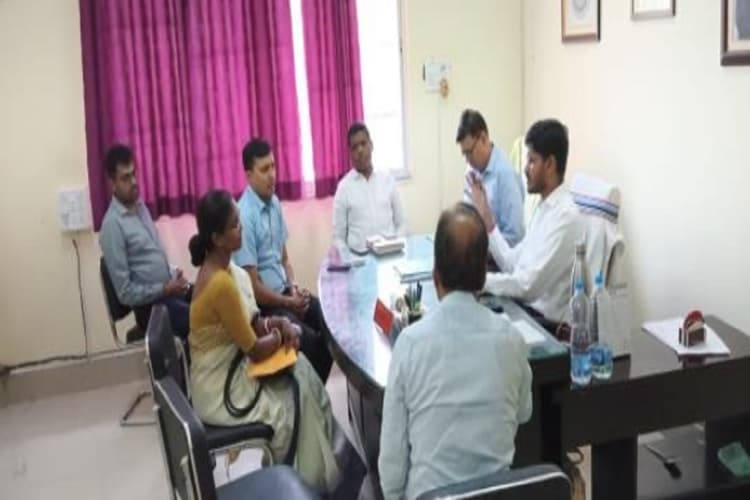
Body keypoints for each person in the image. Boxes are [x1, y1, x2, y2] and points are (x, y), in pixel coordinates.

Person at [188, 190, 342, 492]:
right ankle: (296, 483)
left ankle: (316, 474)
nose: (241, 228)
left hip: (233, 368)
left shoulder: (229, 271)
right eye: (235, 225)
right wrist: (285, 334)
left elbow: (254, 323)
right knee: (287, 408)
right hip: (220, 388)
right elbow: (256, 350)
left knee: (303, 372)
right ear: (217, 238)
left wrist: (279, 323)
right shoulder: (219, 284)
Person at [379, 203, 533, 500]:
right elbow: (524, 412)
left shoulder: (410, 344)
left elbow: (392, 468)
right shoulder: (512, 341)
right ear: (483, 276)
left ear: (435, 276)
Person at [233, 139, 333, 382]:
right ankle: (310, 396)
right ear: (249, 175)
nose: (272, 175)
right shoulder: (244, 216)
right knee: (313, 344)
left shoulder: (275, 203)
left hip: (285, 293)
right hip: (266, 307)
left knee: (331, 323)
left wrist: (293, 288)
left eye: (273, 166)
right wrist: (288, 302)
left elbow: (285, 259)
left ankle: (314, 390)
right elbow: (254, 289)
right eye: (264, 169)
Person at [469, 119, 584, 323]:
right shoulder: (544, 209)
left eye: (532, 161)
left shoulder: (566, 217)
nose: (525, 168)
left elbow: (527, 287)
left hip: (547, 326)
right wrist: (487, 218)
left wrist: (478, 281)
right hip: (526, 311)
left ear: (550, 164)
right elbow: (512, 264)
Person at [99, 144, 189, 339]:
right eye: (125, 178)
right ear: (112, 183)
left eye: (134, 174)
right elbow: (125, 293)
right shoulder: (112, 226)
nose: (133, 182)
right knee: (201, 317)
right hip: (150, 309)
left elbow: (151, 257)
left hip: (168, 293)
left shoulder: (140, 207)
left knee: (212, 296)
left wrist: (172, 274)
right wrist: (164, 289)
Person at [332, 123, 408, 253]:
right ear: (350, 153)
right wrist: (350, 259)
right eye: (355, 147)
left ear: (371, 145)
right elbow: (338, 238)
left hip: (390, 255)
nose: (360, 150)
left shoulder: (387, 179)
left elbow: (402, 223)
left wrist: (396, 246)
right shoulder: (344, 188)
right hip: (359, 258)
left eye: (363, 143)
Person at [456, 109, 525, 247]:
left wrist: (481, 248)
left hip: (497, 256)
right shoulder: (472, 169)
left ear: (483, 138)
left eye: (470, 152)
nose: (467, 160)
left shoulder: (505, 175)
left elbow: (515, 238)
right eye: (464, 154)